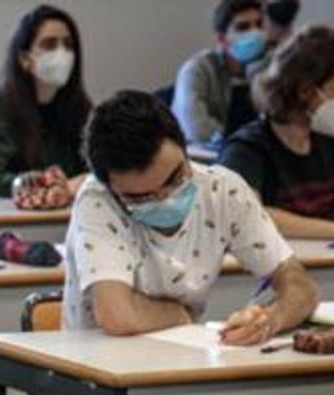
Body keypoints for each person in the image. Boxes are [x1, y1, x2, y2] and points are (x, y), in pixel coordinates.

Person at [63, 90, 318, 345]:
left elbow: (301, 288)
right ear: (109, 186)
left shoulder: (222, 188)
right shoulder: (97, 200)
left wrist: (268, 319)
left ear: (185, 148)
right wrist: (179, 314)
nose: (165, 199)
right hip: (100, 366)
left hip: (184, 359)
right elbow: (117, 316)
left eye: (175, 178)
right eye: (141, 198)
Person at [220, 26, 334, 240]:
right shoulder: (246, 149)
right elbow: (247, 214)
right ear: (305, 90)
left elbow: (328, 203)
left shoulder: (324, 139)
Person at [0, 4, 91, 197]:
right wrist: (45, 185)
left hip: (70, 215)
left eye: (68, 45)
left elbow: (100, 170)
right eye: (49, 44)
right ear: (24, 59)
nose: (62, 53)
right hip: (13, 217)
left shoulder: (81, 109)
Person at [171, 0, 266, 150]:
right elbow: (197, 129)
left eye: (259, 24)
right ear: (222, 39)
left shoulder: (265, 68)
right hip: (210, 158)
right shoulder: (197, 70)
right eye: (243, 27)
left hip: (254, 154)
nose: (255, 33)